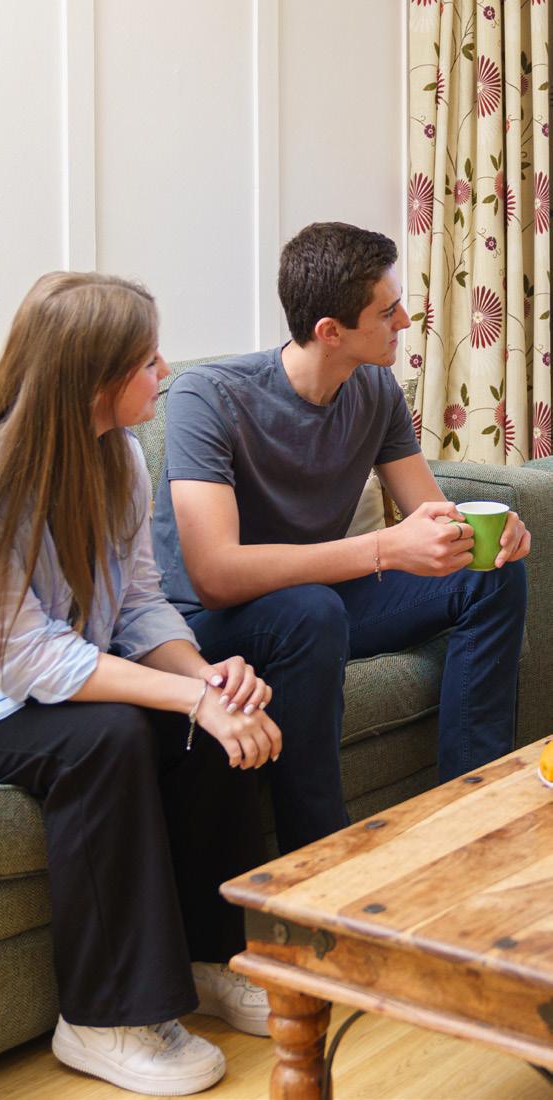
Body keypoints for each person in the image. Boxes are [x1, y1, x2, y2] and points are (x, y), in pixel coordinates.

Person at [0, 272, 282, 1097]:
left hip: (21, 684)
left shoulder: (119, 459)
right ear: (94, 378)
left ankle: (210, 956)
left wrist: (204, 683)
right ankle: (102, 1019)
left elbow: (137, 603)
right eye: (148, 361)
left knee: (204, 721)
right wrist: (191, 698)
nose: (165, 372)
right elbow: (32, 662)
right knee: (104, 737)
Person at [152, 221, 530, 855]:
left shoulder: (374, 388)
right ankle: (319, 856)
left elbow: (432, 517)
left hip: (320, 607)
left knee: (487, 575)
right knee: (312, 609)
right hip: (209, 625)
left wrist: (481, 535)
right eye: (387, 312)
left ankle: (473, 816)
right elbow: (214, 574)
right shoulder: (208, 397)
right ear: (330, 330)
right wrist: (384, 548)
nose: (405, 320)